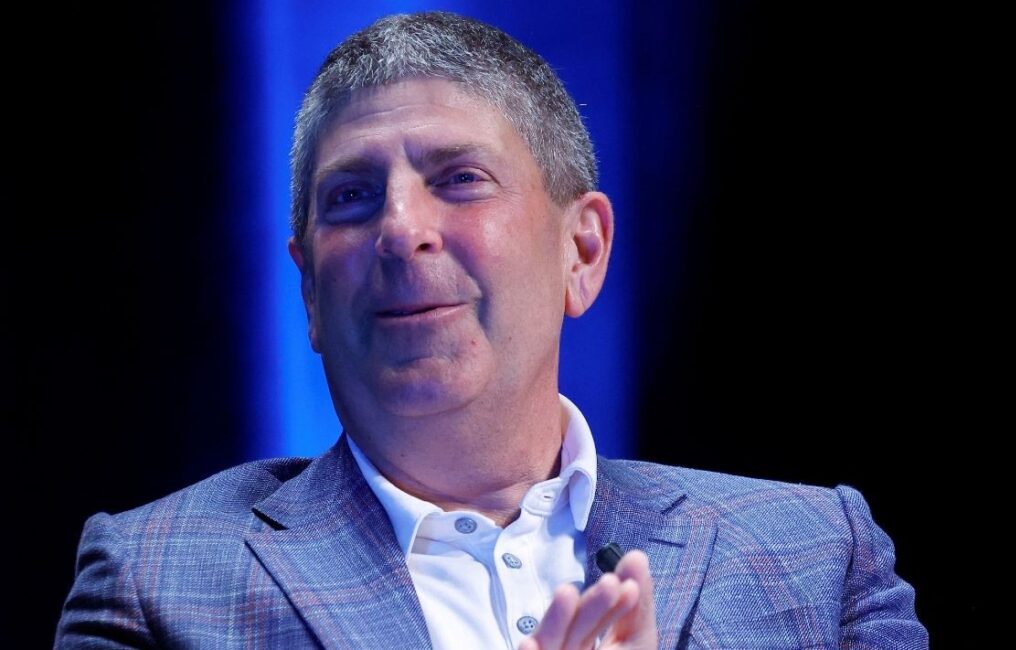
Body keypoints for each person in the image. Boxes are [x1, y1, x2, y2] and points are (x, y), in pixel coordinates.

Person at [56, 11, 927, 649]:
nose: (400, 228)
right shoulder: (155, 579)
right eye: (352, 196)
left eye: (459, 178)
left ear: (582, 251)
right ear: (310, 292)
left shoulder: (817, 556)